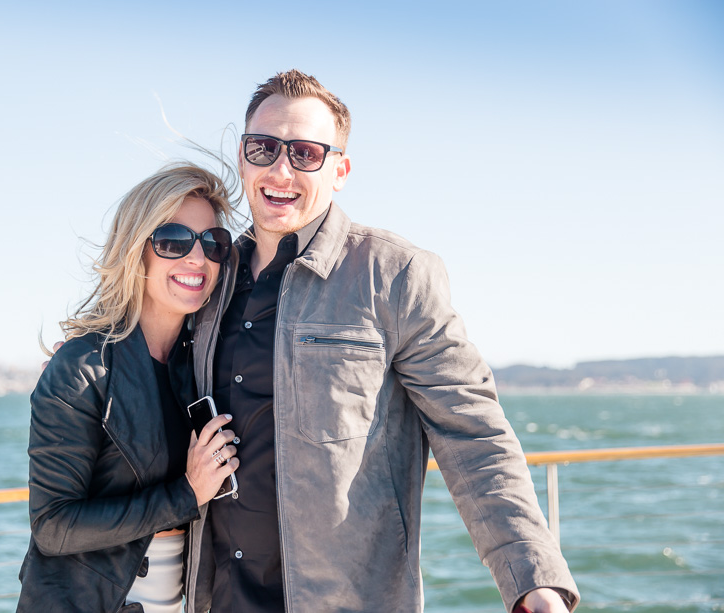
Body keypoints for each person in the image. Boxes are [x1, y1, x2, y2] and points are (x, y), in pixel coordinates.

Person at [183, 70, 581, 613]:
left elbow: (474, 436)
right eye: (265, 147)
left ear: (339, 170)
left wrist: (533, 580)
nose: (281, 169)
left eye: (305, 153)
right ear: (242, 155)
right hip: (217, 601)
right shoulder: (207, 276)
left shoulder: (394, 275)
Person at [17, 163, 242, 613]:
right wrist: (186, 494)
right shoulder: (81, 367)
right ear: (137, 249)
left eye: (213, 244)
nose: (197, 259)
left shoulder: (201, 365)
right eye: (173, 241)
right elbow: (53, 526)